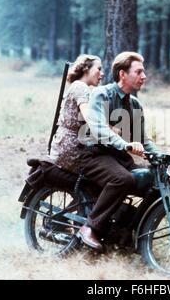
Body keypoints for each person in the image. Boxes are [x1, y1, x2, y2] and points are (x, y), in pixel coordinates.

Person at [76, 51, 159, 250]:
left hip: (116, 157)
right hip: (93, 153)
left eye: (143, 72)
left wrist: (161, 157)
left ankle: (125, 231)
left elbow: (143, 139)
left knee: (149, 180)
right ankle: (89, 227)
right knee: (122, 179)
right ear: (123, 74)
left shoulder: (134, 104)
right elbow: (98, 128)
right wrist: (124, 144)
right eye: (138, 72)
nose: (144, 76)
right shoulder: (101, 94)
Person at [48, 54, 104, 173]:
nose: (102, 73)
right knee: (110, 168)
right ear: (86, 69)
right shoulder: (80, 87)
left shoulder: (79, 86)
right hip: (72, 149)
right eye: (99, 69)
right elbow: (89, 117)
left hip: (67, 144)